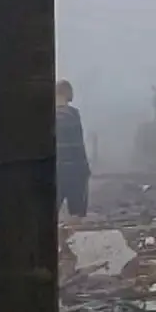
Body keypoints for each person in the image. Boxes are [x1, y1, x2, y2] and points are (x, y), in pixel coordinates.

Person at [56, 79, 90, 218]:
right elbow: (78, 146)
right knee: (76, 215)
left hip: (53, 173)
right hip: (73, 172)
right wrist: (85, 170)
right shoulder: (72, 115)